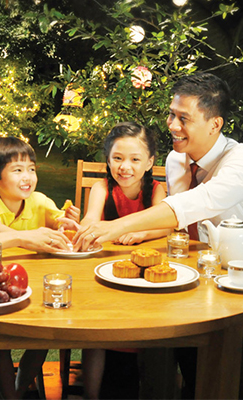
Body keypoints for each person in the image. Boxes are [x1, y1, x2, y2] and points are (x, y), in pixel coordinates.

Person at [75, 73, 243, 399]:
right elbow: (176, 224)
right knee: (188, 356)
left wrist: (114, 227)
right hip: (193, 281)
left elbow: (193, 204)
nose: (172, 125)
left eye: (184, 118)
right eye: (171, 114)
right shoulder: (175, 160)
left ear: (215, 124)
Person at [0, 136, 81, 399]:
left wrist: (67, 221)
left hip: (36, 283)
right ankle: (9, 395)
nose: (28, 177)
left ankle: (20, 388)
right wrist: (30, 236)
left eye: (31, 169)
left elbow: (59, 222)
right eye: (18, 170)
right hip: (0, 286)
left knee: (44, 338)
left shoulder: (39, 200)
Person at [79, 121, 171, 398]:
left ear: (150, 162)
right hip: (104, 275)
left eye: (135, 159)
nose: (125, 167)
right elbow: (90, 220)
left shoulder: (155, 190)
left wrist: (142, 233)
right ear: (108, 160)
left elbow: (166, 226)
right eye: (117, 158)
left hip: (145, 278)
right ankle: (92, 393)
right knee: (95, 327)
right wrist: (82, 225)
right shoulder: (102, 188)